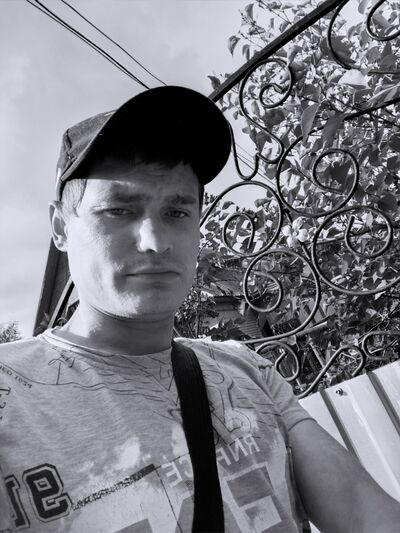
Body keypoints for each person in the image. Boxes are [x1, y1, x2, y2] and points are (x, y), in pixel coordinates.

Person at [0, 86, 399, 533]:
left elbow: (361, 511)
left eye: (176, 213)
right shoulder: (10, 394)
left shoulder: (246, 370)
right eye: (118, 210)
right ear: (60, 227)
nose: (155, 242)